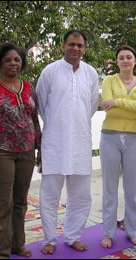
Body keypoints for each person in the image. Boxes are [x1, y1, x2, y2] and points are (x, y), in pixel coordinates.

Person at [0, 42, 41, 259]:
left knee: (20, 202)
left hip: (26, 152)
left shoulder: (29, 88)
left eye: (17, 60)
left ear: (22, 63)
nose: (13, 63)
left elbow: (34, 120)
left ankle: (16, 245)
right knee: (3, 205)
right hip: (1, 153)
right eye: (8, 60)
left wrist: (39, 148)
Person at [35, 30, 100, 254]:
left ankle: (72, 236)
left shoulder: (91, 73)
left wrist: (75, 124)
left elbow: (91, 105)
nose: (75, 49)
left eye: (80, 45)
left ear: (84, 48)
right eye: (71, 44)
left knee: (81, 194)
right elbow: (41, 105)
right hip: (54, 141)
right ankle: (50, 239)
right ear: (63, 46)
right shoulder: (50, 71)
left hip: (81, 141)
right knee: (50, 193)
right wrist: (57, 124)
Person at [100, 45, 136, 249]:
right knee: (109, 188)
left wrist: (118, 102)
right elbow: (106, 104)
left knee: (132, 189)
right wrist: (133, 109)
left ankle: (132, 230)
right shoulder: (109, 80)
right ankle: (108, 232)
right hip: (110, 136)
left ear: (135, 60)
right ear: (117, 61)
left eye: (128, 57)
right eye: (121, 58)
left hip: (134, 138)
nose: (125, 61)